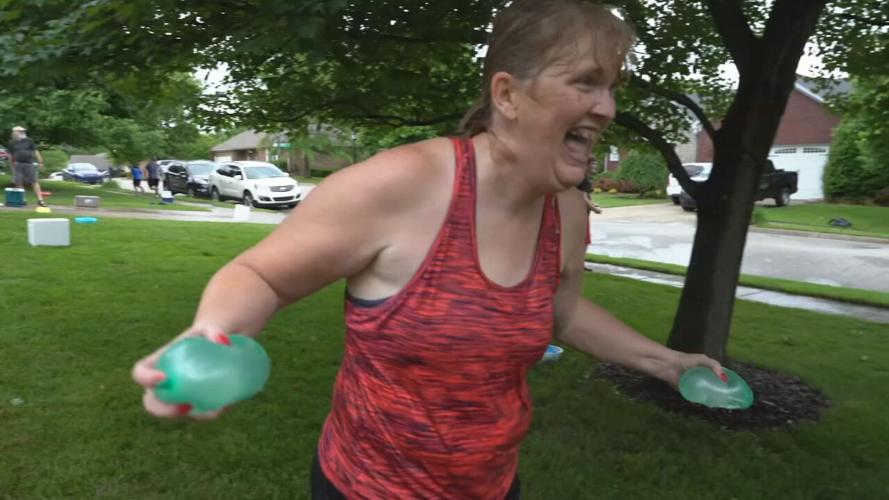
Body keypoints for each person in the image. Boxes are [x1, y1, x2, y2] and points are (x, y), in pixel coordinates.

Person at [132, 1, 723, 498]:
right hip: (367, 486)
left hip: (493, 485)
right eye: (586, 82)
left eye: (612, 87)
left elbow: (559, 311)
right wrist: (210, 334)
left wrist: (670, 365)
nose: (608, 108)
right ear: (509, 95)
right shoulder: (401, 186)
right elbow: (262, 275)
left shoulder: (563, 208)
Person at [8, 126, 47, 207]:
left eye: (23, 131)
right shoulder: (12, 143)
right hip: (18, 164)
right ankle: (23, 199)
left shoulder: (29, 141)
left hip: (29, 164)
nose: (23, 132)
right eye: (20, 131)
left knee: (34, 181)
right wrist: (12, 167)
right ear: (15, 132)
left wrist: (40, 162)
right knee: (18, 182)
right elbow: (10, 156)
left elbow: (35, 151)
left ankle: (40, 200)